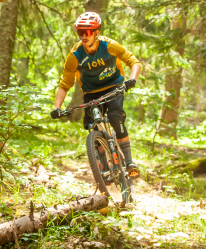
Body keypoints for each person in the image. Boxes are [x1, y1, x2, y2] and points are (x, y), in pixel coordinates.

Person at [50, 12, 142, 178]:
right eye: (80, 32)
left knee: (115, 117)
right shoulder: (75, 56)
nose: (83, 36)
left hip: (113, 87)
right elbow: (64, 84)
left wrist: (131, 79)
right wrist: (57, 107)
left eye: (87, 32)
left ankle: (129, 163)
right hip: (91, 93)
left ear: (97, 32)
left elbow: (133, 61)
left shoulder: (109, 46)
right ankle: (104, 169)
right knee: (93, 124)